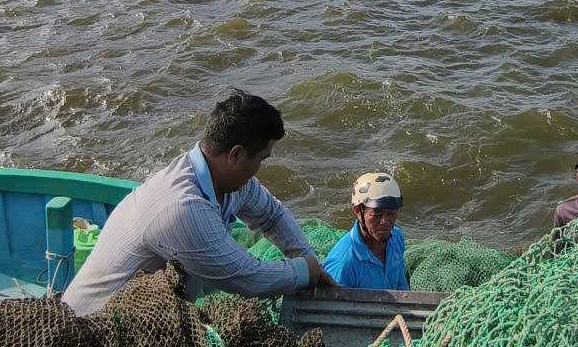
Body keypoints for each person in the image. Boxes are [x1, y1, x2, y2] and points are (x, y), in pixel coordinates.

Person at [63, 90, 337, 316]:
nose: (260, 169)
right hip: (97, 328)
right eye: (262, 159)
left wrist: (307, 258)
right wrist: (304, 271)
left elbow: (272, 215)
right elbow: (245, 277)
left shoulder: (227, 181)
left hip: (151, 318)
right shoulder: (183, 207)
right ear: (236, 155)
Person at [323, 173, 409, 290]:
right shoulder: (343, 264)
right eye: (377, 214)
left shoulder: (396, 237)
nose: (385, 221)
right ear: (358, 211)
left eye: (391, 213)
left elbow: (401, 287)